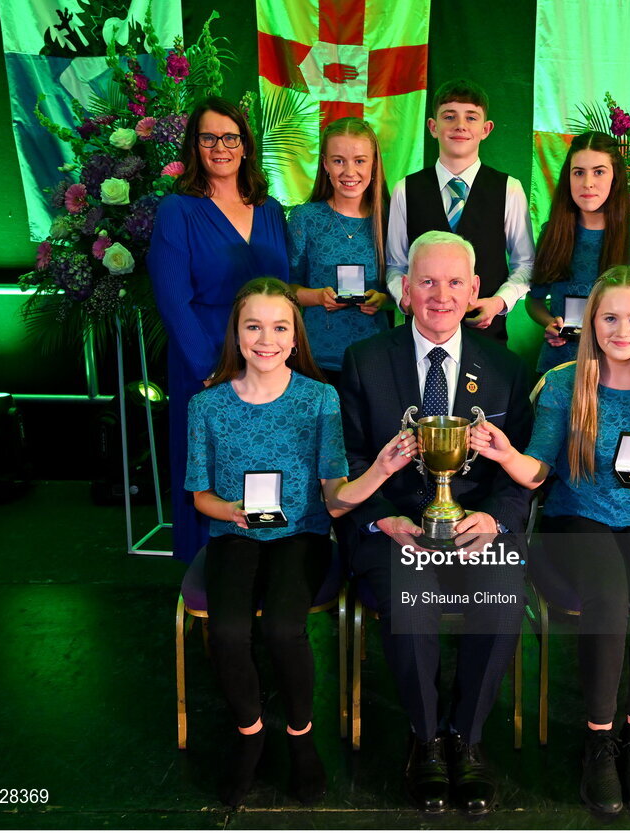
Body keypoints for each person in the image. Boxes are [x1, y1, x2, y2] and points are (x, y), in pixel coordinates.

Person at [470, 266, 630, 815]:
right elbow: (539, 469)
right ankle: (599, 738)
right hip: (577, 516)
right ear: (591, 320)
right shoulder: (563, 382)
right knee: (606, 595)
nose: (621, 330)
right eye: (609, 317)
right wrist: (507, 454)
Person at [186, 277, 417, 809]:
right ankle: (249, 733)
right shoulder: (208, 405)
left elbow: (335, 496)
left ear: (296, 337)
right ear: (237, 334)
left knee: (287, 628)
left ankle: (300, 735)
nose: (266, 339)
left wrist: (379, 470)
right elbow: (199, 495)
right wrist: (232, 512)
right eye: (254, 327)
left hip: (303, 533)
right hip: (235, 532)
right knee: (226, 630)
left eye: (279, 327)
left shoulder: (320, 399)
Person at [338, 231, 534, 815]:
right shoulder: (364, 361)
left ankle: (466, 740)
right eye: (427, 281)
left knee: (503, 597)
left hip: (476, 527)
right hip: (393, 528)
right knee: (411, 596)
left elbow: (517, 470)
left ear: (475, 289)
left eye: (454, 283)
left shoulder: (505, 367)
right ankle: (425, 740)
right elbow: (346, 462)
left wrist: (495, 522)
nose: (440, 295)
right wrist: (384, 520)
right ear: (405, 291)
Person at [148, 96, 289, 563]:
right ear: (195, 146)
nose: (220, 147)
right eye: (209, 138)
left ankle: (267, 563)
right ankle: (207, 574)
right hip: (205, 359)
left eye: (231, 137)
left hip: (266, 360)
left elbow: (283, 289)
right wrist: (212, 369)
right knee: (209, 469)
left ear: (246, 145)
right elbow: (172, 299)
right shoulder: (178, 210)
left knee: (264, 459)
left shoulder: (268, 208)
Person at [385, 79, 534, 341]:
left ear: (486, 129)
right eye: (449, 116)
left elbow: (525, 264)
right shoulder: (405, 189)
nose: (460, 125)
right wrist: (404, 299)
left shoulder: (509, 189)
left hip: (487, 337)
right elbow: (395, 265)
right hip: (420, 336)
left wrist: (498, 302)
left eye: (471, 117)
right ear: (433, 126)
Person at [527, 131, 630, 375]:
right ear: (568, 178)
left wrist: (625, 331)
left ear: (614, 177)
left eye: (598, 172)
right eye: (579, 172)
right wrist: (550, 324)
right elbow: (534, 302)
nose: (587, 183)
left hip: (623, 370)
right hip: (562, 367)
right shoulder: (553, 232)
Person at [288, 117, 391, 385]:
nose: (349, 171)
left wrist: (383, 299)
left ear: (374, 164)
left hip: (375, 358)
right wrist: (317, 297)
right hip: (316, 359)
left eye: (359, 160)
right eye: (338, 161)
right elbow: (286, 287)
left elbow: (406, 290)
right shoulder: (305, 218)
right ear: (324, 164)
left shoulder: (390, 220)